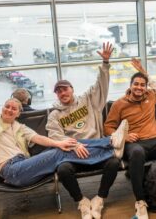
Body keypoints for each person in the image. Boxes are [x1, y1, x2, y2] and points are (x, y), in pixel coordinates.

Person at [46, 42, 125, 219]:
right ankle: (82, 202)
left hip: (96, 150)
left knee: (113, 163)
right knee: (64, 170)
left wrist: (105, 64)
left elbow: (101, 86)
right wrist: (74, 145)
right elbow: (55, 135)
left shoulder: (88, 100)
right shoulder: (54, 115)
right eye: (58, 91)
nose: (62, 93)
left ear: (72, 89)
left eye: (64, 89)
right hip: (75, 153)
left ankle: (99, 199)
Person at [104, 71, 156, 219]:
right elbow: (108, 128)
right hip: (134, 144)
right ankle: (140, 201)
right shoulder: (119, 104)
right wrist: (125, 136)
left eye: (143, 85)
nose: (139, 87)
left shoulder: (151, 95)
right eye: (136, 84)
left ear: (146, 87)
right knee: (137, 153)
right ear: (130, 86)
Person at [0, 98, 127, 188]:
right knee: (61, 151)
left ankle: (111, 141)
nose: (9, 110)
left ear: (19, 113)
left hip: (24, 165)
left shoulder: (19, 127)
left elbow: (39, 138)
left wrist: (60, 143)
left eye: (13, 109)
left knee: (70, 142)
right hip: (12, 170)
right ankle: (112, 150)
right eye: (7, 106)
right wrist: (60, 145)